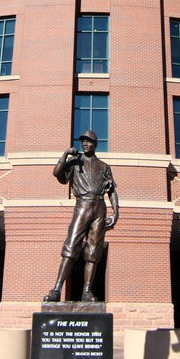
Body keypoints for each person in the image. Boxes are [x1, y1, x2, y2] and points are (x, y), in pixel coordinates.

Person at [44, 130, 119, 303]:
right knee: (70, 247)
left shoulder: (103, 166)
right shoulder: (74, 162)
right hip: (82, 206)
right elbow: (57, 173)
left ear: (96, 144)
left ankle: (87, 291)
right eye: (83, 141)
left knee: (93, 252)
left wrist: (116, 212)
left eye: (89, 141)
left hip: (99, 207)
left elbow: (112, 191)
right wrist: (65, 155)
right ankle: (56, 289)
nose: (85, 144)